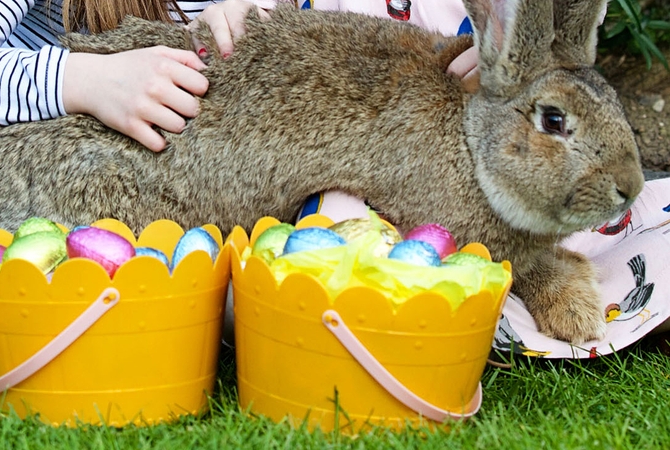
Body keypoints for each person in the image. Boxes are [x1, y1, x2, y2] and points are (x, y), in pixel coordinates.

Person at [243, 0, 670, 361]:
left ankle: (540, 270)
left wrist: (498, 63)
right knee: (360, 251)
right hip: (364, 185)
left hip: (498, 152)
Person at [0, 0, 266, 371]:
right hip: (16, 202)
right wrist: (87, 80)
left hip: (177, 211)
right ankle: (15, 299)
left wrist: (250, 17)